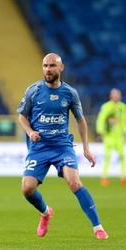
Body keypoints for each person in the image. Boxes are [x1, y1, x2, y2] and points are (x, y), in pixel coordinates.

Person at [17, 53, 108, 240]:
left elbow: (81, 120)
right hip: (39, 148)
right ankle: (45, 212)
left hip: (62, 146)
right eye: (45, 66)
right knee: (27, 189)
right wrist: (30, 132)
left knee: (74, 182)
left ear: (61, 68)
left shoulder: (70, 93)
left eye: (52, 65)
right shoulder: (33, 91)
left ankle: (97, 227)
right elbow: (22, 116)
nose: (48, 69)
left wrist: (86, 148)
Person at [96, 88, 126, 186]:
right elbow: (101, 119)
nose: (116, 96)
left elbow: (124, 120)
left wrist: (124, 133)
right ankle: (104, 177)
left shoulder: (123, 107)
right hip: (108, 136)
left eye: (118, 94)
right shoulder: (106, 106)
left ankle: (123, 177)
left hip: (119, 136)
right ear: (111, 96)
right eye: (114, 94)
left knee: (122, 156)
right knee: (107, 157)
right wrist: (100, 132)